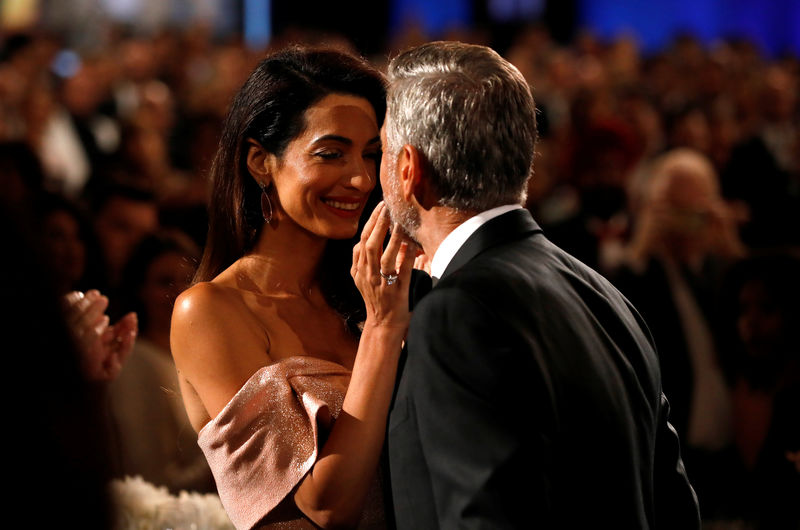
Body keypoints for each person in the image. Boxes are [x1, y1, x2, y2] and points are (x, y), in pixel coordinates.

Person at [379, 41, 700, 528]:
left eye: (379, 151)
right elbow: (676, 511)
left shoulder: (455, 313)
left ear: (408, 170)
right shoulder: (606, 296)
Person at [170, 46, 413, 529]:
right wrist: (384, 331)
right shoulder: (210, 311)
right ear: (260, 161)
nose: (362, 178)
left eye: (371, 155)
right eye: (331, 154)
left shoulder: (368, 292)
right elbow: (325, 508)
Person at [109, 230, 215, 494]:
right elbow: (151, 479)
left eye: (187, 280)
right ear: (140, 290)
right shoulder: (136, 364)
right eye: (164, 282)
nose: (179, 292)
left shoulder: (205, 357)